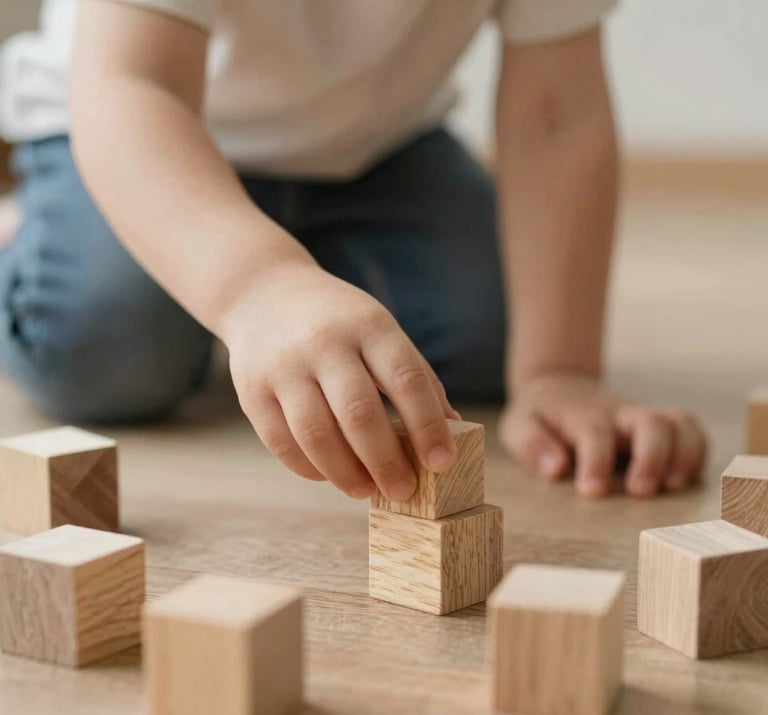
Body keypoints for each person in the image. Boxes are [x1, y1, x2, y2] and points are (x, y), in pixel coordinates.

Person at [0, 0, 706, 502]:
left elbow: (559, 113)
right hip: (134, 132)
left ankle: (299, 277)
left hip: (376, 150)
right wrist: (258, 288)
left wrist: (559, 370)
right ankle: (24, 237)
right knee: (105, 351)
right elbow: (133, 84)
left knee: (495, 338)